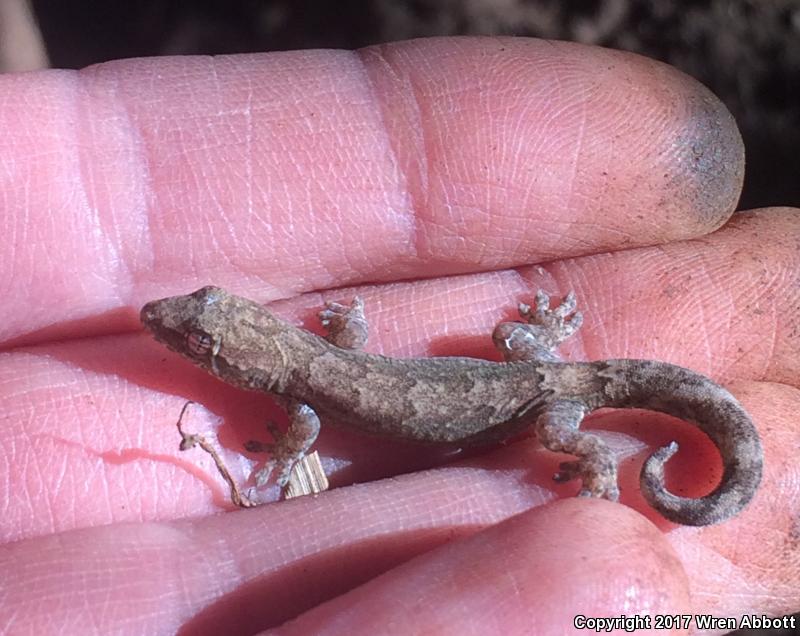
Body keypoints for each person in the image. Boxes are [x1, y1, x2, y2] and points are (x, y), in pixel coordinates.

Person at [1, 37, 797, 633]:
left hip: (541, 402)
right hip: (531, 367)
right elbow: (340, 348)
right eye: (197, 333)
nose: (175, 329)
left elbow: (306, 422)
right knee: (525, 356)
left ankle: (603, 464)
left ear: (245, 350)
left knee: (573, 436)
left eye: (201, 332)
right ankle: (563, 359)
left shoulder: (307, 395)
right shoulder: (317, 365)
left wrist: (601, 463)